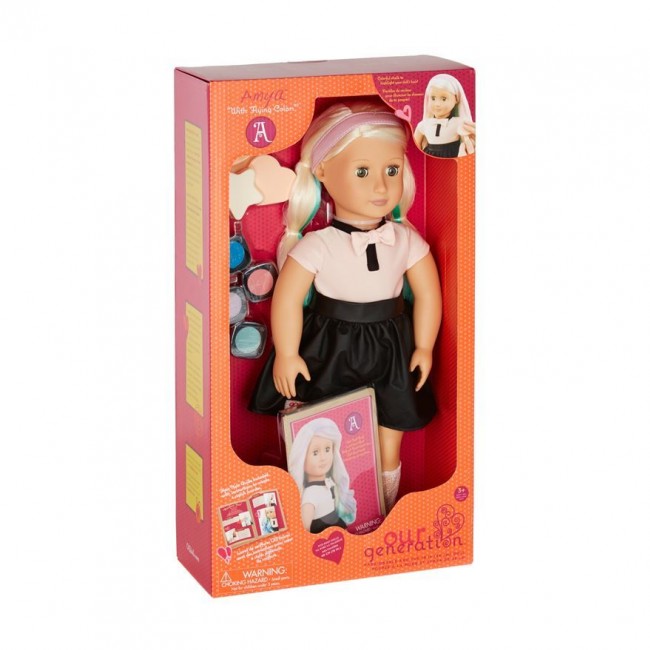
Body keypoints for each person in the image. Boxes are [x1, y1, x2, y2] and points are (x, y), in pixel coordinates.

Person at [249, 101, 442, 510]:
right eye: (363, 172)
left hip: (392, 347)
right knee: (325, 436)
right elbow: (287, 299)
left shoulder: (405, 240)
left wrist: (424, 346)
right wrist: (287, 353)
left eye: (392, 170)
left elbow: (428, 293)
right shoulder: (318, 244)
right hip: (330, 346)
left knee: (389, 440)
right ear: (322, 172)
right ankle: (326, 510)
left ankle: (383, 511)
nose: (380, 187)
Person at [288, 418, 356, 533]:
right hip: (323, 533)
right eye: (315, 452)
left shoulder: (329, 482)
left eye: (327, 449)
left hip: (335, 526)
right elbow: (304, 528)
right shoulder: (310, 494)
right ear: (302, 459)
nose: (323, 457)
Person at [413, 74, 475, 157]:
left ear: (456, 99)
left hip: (452, 158)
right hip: (429, 160)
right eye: (433, 98)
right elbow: (414, 147)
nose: (437, 104)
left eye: (444, 99)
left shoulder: (459, 123)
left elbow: (467, 146)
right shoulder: (423, 125)